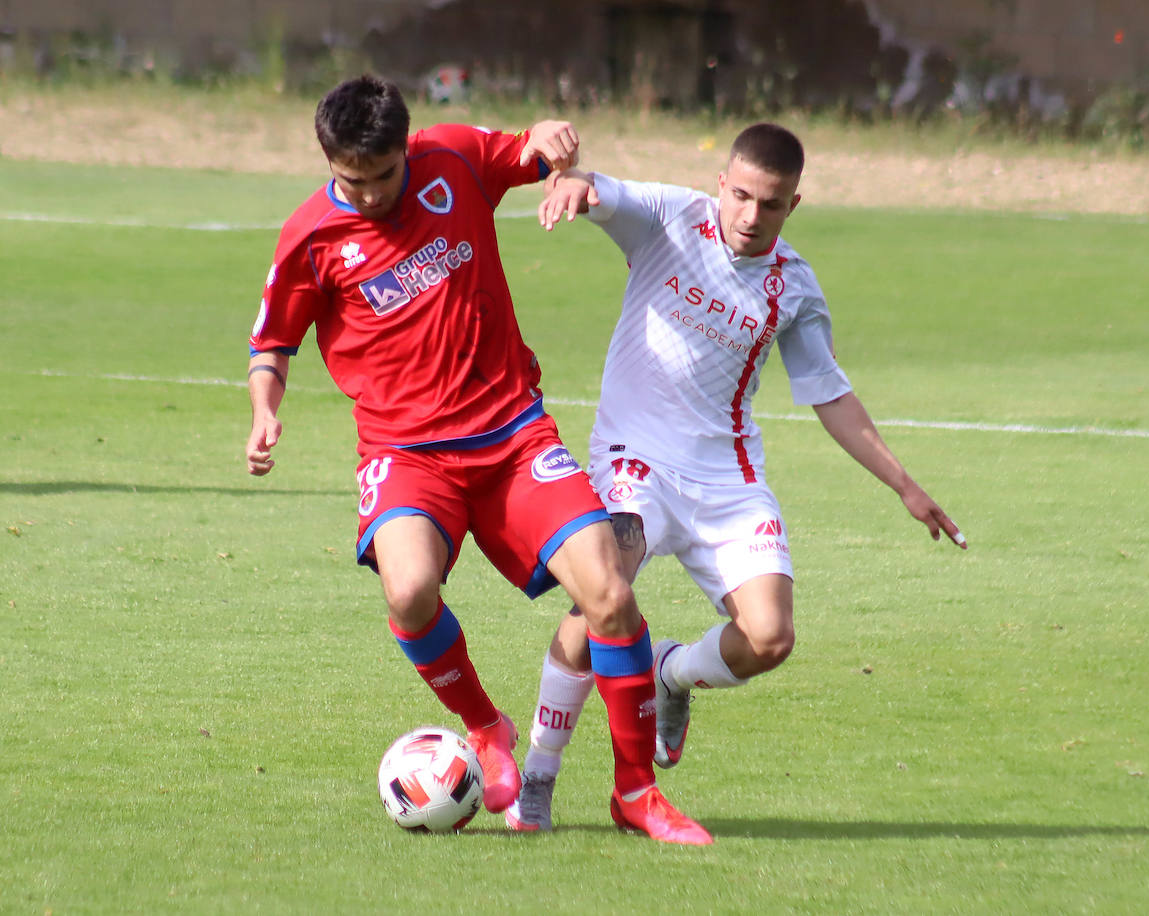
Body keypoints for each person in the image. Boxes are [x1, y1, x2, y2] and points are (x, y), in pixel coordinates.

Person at [244, 75, 710, 844]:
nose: (366, 196)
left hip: (512, 435)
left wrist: (554, 137)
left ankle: (635, 792)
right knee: (410, 592)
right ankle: (485, 726)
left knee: (611, 596)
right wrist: (265, 410)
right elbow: (272, 343)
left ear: (407, 147)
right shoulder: (310, 235)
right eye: (348, 181)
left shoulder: (453, 157)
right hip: (406, 453)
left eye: (383, 176)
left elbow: (533, 151)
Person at [504, 123, 967, 832]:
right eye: (742, 195)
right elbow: (605, 194)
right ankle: (540, 770)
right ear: (721, 182)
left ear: (794, 205)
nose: (751, 217)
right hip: (637, 461)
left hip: (728, 479)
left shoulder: (794, 288)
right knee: (602, 591)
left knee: (770, 639)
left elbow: (829, 393)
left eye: (771, 204)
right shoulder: (670, 217)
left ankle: (672, 675)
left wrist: (904, 484)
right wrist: (574, 184)